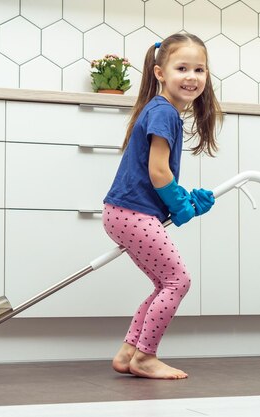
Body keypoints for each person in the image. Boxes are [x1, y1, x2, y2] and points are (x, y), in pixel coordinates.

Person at [102, 33, 222, 380]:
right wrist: (179, 202)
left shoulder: (162, 111)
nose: (192, 76)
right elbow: (158, 172)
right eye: (181, 67)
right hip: (132, 213)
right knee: (177, 281)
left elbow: (155, 175)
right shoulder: (164, 112)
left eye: (199, 69)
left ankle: (129, 353)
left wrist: (183, 204)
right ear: (159, 73)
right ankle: (145, 357)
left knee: (164, 283)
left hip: (125, 212)